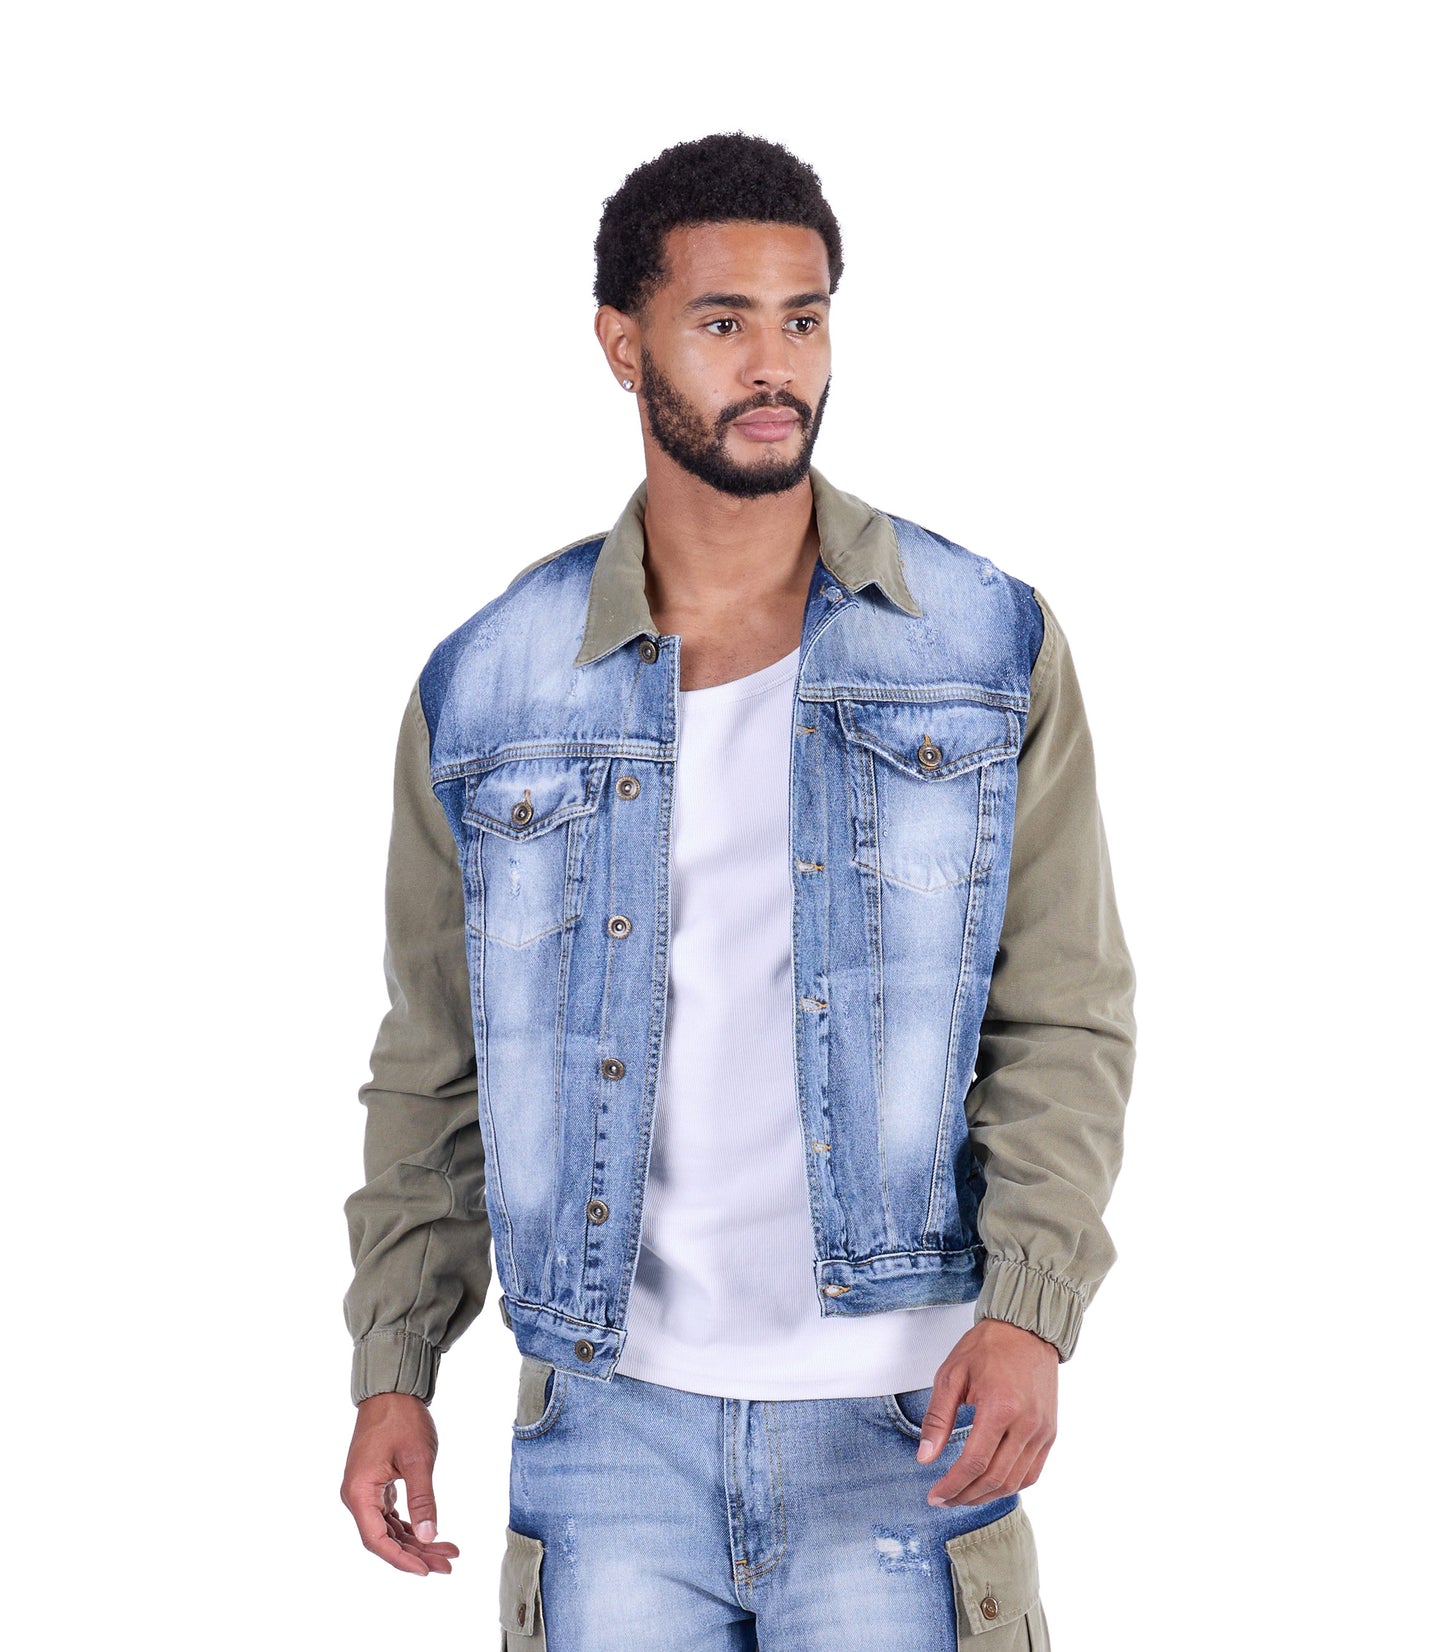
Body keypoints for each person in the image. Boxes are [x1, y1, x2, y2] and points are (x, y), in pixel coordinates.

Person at [340, 132, 1136, 1651]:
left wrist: (1028, 1308)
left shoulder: (981, 645)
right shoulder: (491, 685)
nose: (775, 365)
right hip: (607, 1423)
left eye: (803, 318)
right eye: (722, 322)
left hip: (910, 1414)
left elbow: (1065, 1012)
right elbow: (431, 1059)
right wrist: (396, 1365)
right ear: (620, 344)